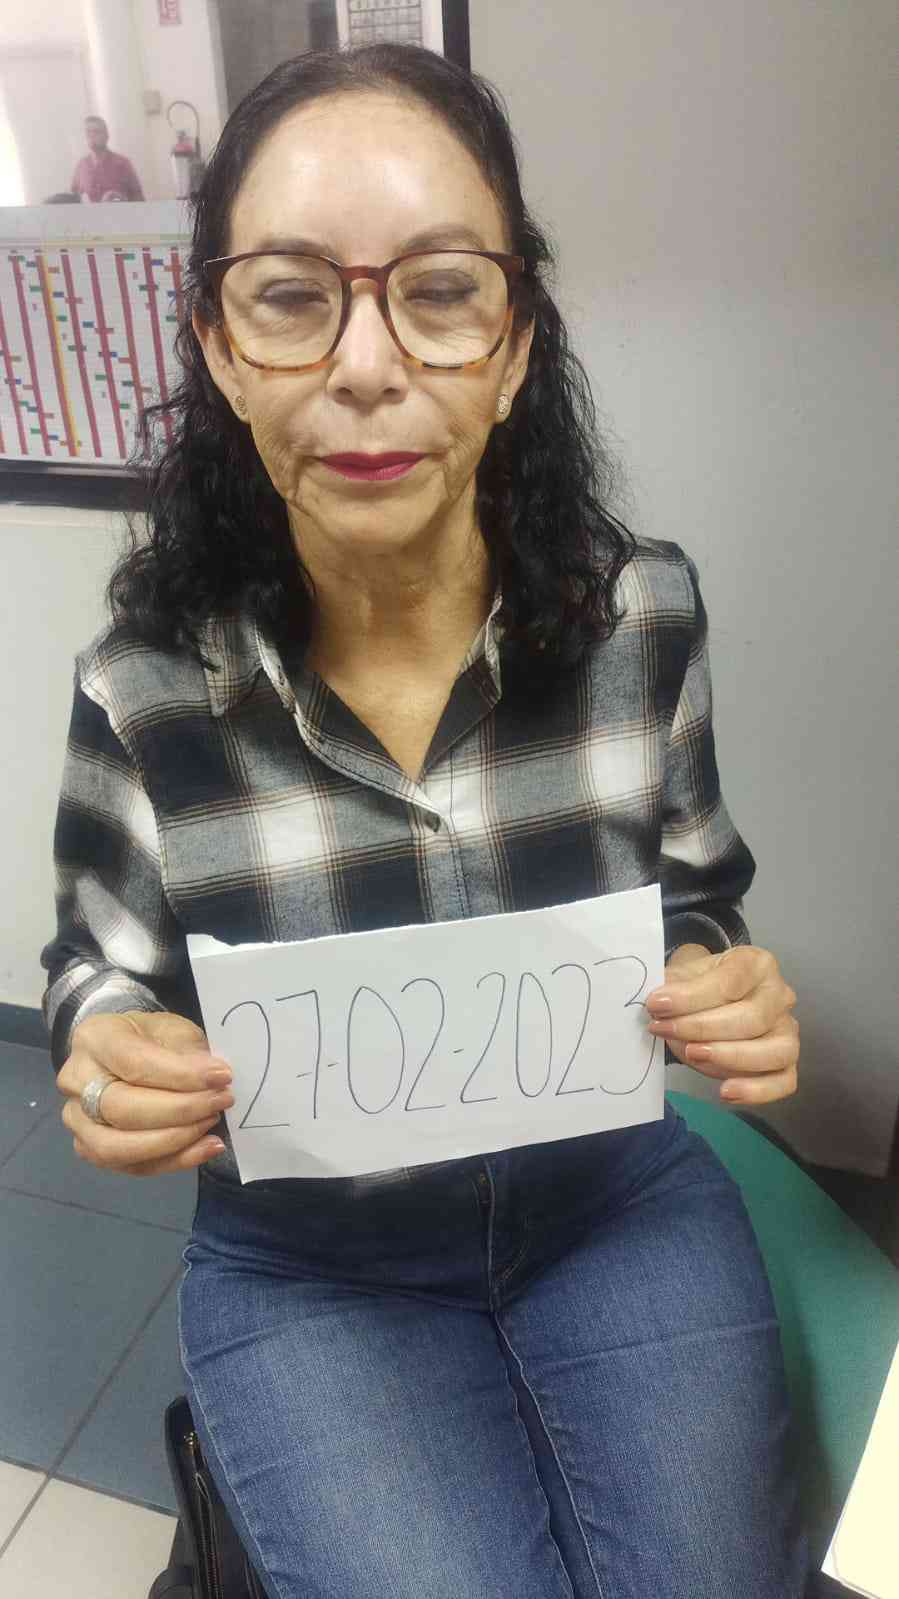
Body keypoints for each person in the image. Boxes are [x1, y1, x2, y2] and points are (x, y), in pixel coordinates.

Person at [43, 44, 808, 1599]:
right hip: (314, 1262)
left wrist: (719, 975)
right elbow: (98, 965)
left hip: (610, 1203)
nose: (366, 365)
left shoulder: (639, 617)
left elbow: (690, 894)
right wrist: (108, 1044)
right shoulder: (144, 688)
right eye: (289, 297)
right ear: (221, 348)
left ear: (512, 343)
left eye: (441, 291)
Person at [70, 114, 144, 203]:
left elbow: (139, 199)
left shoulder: (123, 163)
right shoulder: (81, 166)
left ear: (106, 136)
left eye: (96, 132)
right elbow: (73, 201)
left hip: (119, 211)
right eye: (88, 132)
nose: (92, 135)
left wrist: (120, 199)